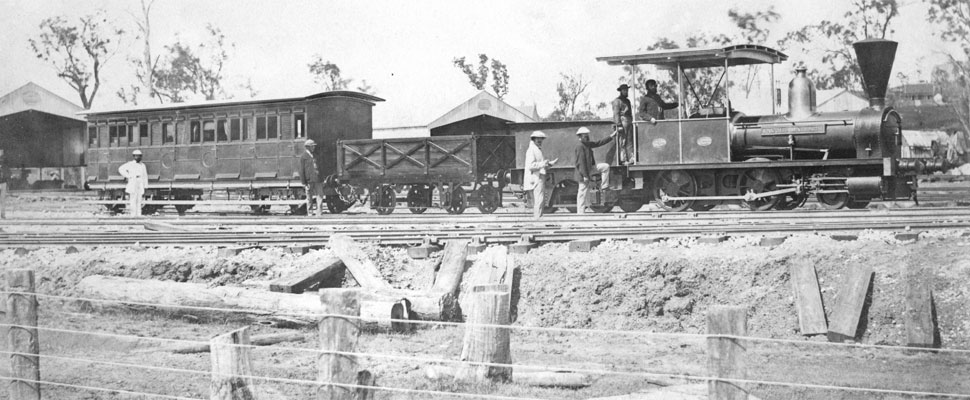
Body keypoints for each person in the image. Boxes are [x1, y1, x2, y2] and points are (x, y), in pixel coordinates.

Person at [574, 127, 616, 214]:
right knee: (582, 192)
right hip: (583, 173)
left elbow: (598, 143)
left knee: (605, 167)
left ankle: (604, 186)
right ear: (580, 137)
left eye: (587, 136)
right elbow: (581, 163)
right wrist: (585, 176)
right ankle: (580, 213)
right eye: (585, 136)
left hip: (591, 168)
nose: (587, 137)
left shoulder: (587, 144)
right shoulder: (580, 147)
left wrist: (611, 136)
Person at [524, 131, 556, 219]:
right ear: (533, 139)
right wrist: (543, 164)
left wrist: (549, 164)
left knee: (539, 199)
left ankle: (538, 217)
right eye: (538, 139)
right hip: (535, 178)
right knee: (538, 199)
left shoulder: (537, 149)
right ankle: (537, 218)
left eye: (541, 139)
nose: (540, 140)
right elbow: (531, 165)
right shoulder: (532, 150)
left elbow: (540, 165)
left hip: (539, 176)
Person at [118, 149, 149, 216]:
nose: (138, 157)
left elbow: (145, 176)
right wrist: (128, 176)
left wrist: (145, 186)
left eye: (139, 156)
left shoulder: (143, 165)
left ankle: (138, 214)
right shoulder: (130, 164)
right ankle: (133, 215)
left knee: (139, 199)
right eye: (136, 156)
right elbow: (121, 169)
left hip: (140, 182)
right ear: (134, 156)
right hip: (133, 182)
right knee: (133, 199)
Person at [300, 139, 325, 216]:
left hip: (318, 179)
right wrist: (304, 182)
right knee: (309, 197)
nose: (314, 148)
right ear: (308, 147)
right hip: (309, 180)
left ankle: (319, 212)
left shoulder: (316, 155)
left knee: (320, 196)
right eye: (312, 146)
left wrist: (322, 178)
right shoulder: (303, 156)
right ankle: (310, 212)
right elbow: (302, 170)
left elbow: (320, 167)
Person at [611, 84, 634, 164]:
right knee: (622, 141)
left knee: (630, 141)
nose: (626, 92)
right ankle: (623, 159)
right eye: (624, 90)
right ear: (620, 91)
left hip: (629, 121)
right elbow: (616, 114)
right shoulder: (617, 101)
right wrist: (619, 125)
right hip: (622, 121)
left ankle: (631, 158)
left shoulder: (627, 101)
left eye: (626, 90)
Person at [0, 150, 8, 219]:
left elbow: (6, 173)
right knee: (2, 199)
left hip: (3, 182)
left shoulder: (4, 163)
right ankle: (2, 214)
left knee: (3, 199)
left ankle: (2, 214)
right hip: (3, 182)